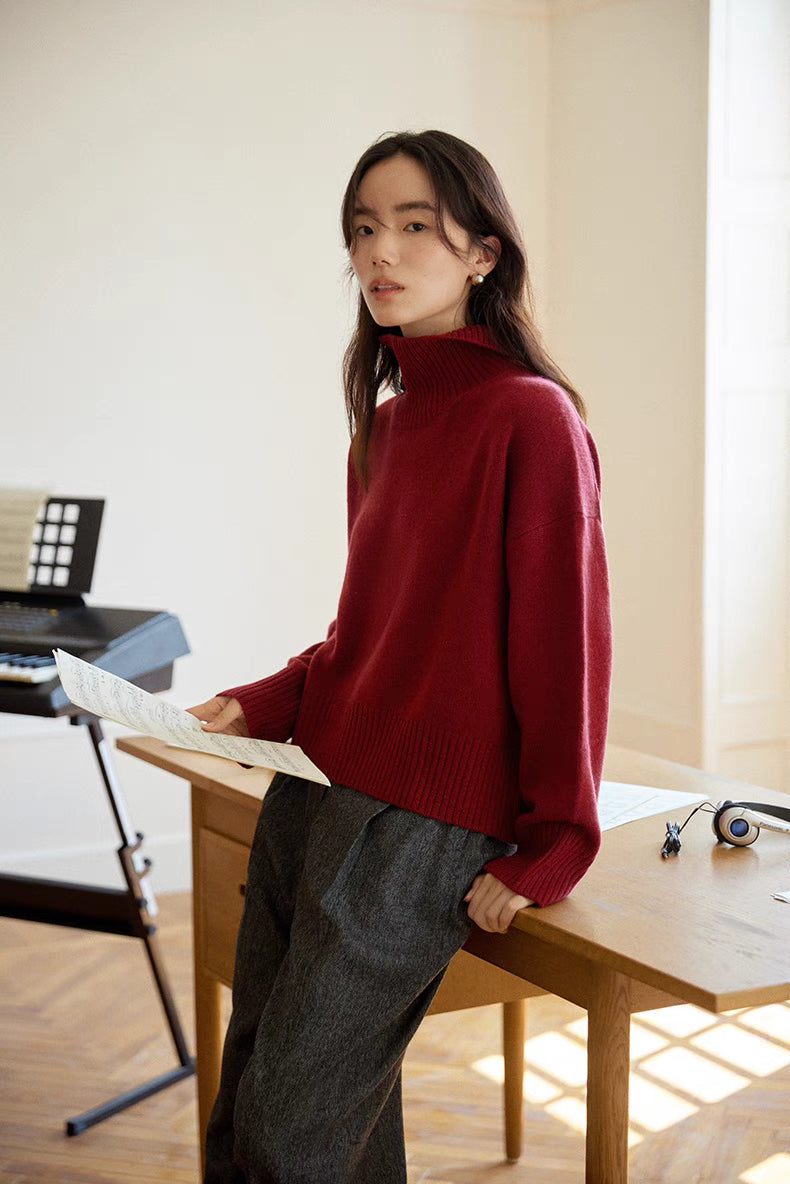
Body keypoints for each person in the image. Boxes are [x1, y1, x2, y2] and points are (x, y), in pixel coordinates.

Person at [188, 129, 612, 1184]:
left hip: (420, 826)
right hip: (319, 788)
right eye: (364, 230)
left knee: (289, 1132)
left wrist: (555, 838)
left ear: (482, 252)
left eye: (415, 226)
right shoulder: (383, 426)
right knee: (261, 1103)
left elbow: (566, 643)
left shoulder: (532, 418)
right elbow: (369, 636)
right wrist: (263, 700)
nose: (381, 252)